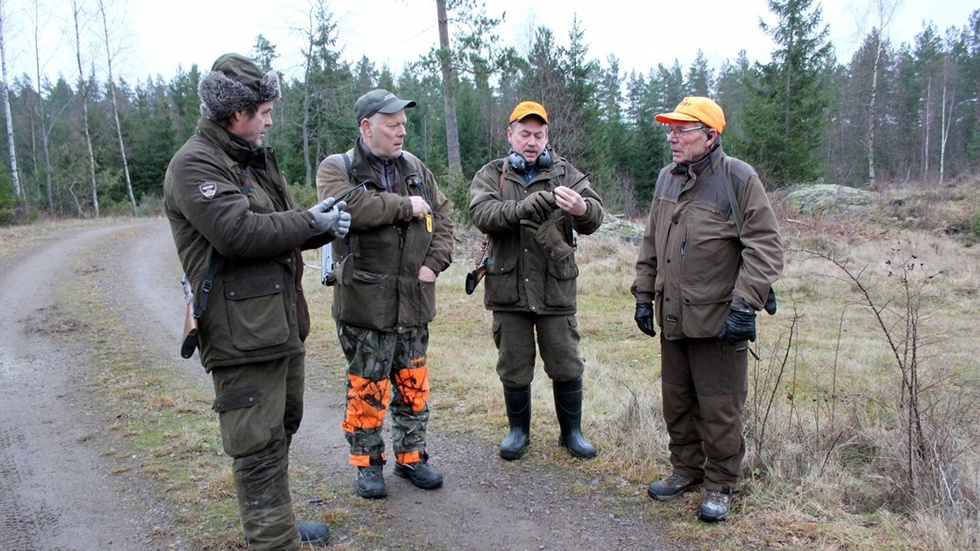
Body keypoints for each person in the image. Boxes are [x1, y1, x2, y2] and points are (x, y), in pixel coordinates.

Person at [164, 53, 350, 549]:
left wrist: (322, 223)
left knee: (282, 427)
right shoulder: (195, 163)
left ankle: (278, 525)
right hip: (239, 333)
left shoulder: (252, 158)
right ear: (236, 112)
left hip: (277, 324)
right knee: (257, 445)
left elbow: (281, 226)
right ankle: (273, 540)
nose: (270, 120)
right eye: (264, 111)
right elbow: (238, 233)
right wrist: (313, 223)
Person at [631, 96, 784, 522]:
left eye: (682, 130)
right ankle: (686, 470)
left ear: (711, 135)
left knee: (720, 408)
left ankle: (719, 484)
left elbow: (766, 247)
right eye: (670, 129)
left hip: (720, 320)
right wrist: (644, 295)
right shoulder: (666, 178)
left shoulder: (739, 178)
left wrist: (745, 305)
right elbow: (651, 243)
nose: (672, 137)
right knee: (676, 401)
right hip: (674, 315)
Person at [315, 89, 454, 500]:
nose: (401, 132)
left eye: (404, 125)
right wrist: (403, 207)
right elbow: (349, 207)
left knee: (413, 385)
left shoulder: (415, 167)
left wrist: (435, 262)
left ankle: (412, 457)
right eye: (392, 125)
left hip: (413, 301)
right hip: (364, 305)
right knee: (367, 388)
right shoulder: (337, 167)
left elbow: (442, 215)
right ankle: (367, 465)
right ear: (366, 126)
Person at [468, 100, 603, 461]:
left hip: (555, 286)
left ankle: (571, 433)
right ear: (510, 135)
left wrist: (582, 209)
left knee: (565, 361)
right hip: (507, 287)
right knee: (513, 363)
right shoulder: (491, 174)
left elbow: (595, 216)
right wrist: (522, 209)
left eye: (538, 134)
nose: (532, 141)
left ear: (547, 137)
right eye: (524, 134)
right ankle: (518, 432)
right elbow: (481, 213)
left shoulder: (566, 173)